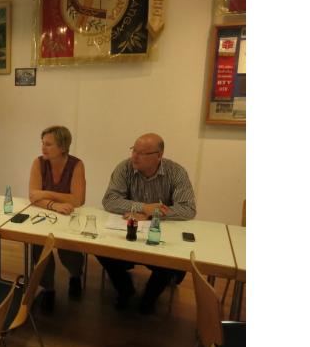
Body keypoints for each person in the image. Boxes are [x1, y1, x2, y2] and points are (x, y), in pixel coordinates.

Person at [99, 133, 196, 315]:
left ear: (159, 155)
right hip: (128, 230)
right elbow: (110, 200)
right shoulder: (124, 168)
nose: (134, 156)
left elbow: (188, 209)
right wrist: (144, 207)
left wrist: (152, 215)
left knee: (171, 259)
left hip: (158, 231)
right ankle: (125, 290)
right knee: (100, 248)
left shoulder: (176, 172)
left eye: (142, 153)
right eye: (134, 150)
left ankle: (149, 298)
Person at [28, 126, 86, 311]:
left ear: (62, 147)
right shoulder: (38, 163)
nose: (43, 148)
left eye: (48, 144)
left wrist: (45, 193)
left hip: (69, 217)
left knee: (68, 249)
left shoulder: (76, 165)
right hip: (46, 214)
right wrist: (55, 205)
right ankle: (48, 289)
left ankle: (75, 276)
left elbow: (77, 200)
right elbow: (32, 197)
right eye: (43, 143)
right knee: (39, 244)